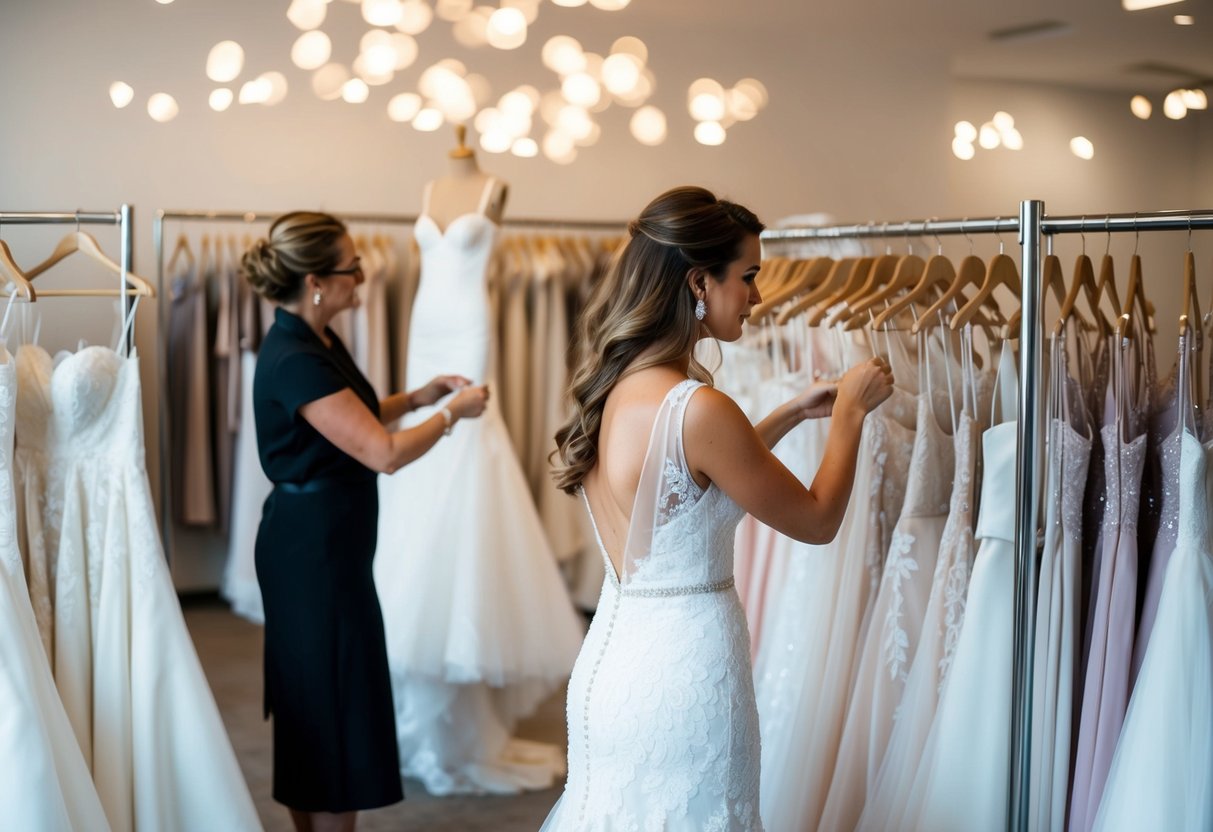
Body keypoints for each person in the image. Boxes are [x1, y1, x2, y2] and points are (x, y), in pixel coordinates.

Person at [541, 186, 894, 829]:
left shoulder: (617, 390)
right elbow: (816, 521)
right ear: (699, 281)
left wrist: (790, 411)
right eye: (749, 276)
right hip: (688, 678)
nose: (757, 296)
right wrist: (849, 415)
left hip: (612, 671)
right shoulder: (700, 408)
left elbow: (687, 494)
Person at [242, 211, 489, 832]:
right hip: (313, 555)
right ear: (317, 281)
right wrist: (455, 414)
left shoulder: (314, 338)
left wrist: (420, 398)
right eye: (353, 265)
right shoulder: (296, 355)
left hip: (325, 544)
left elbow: (350, 416)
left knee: (319, 696)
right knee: (328, 701)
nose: (363, 274)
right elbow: (382, 452)